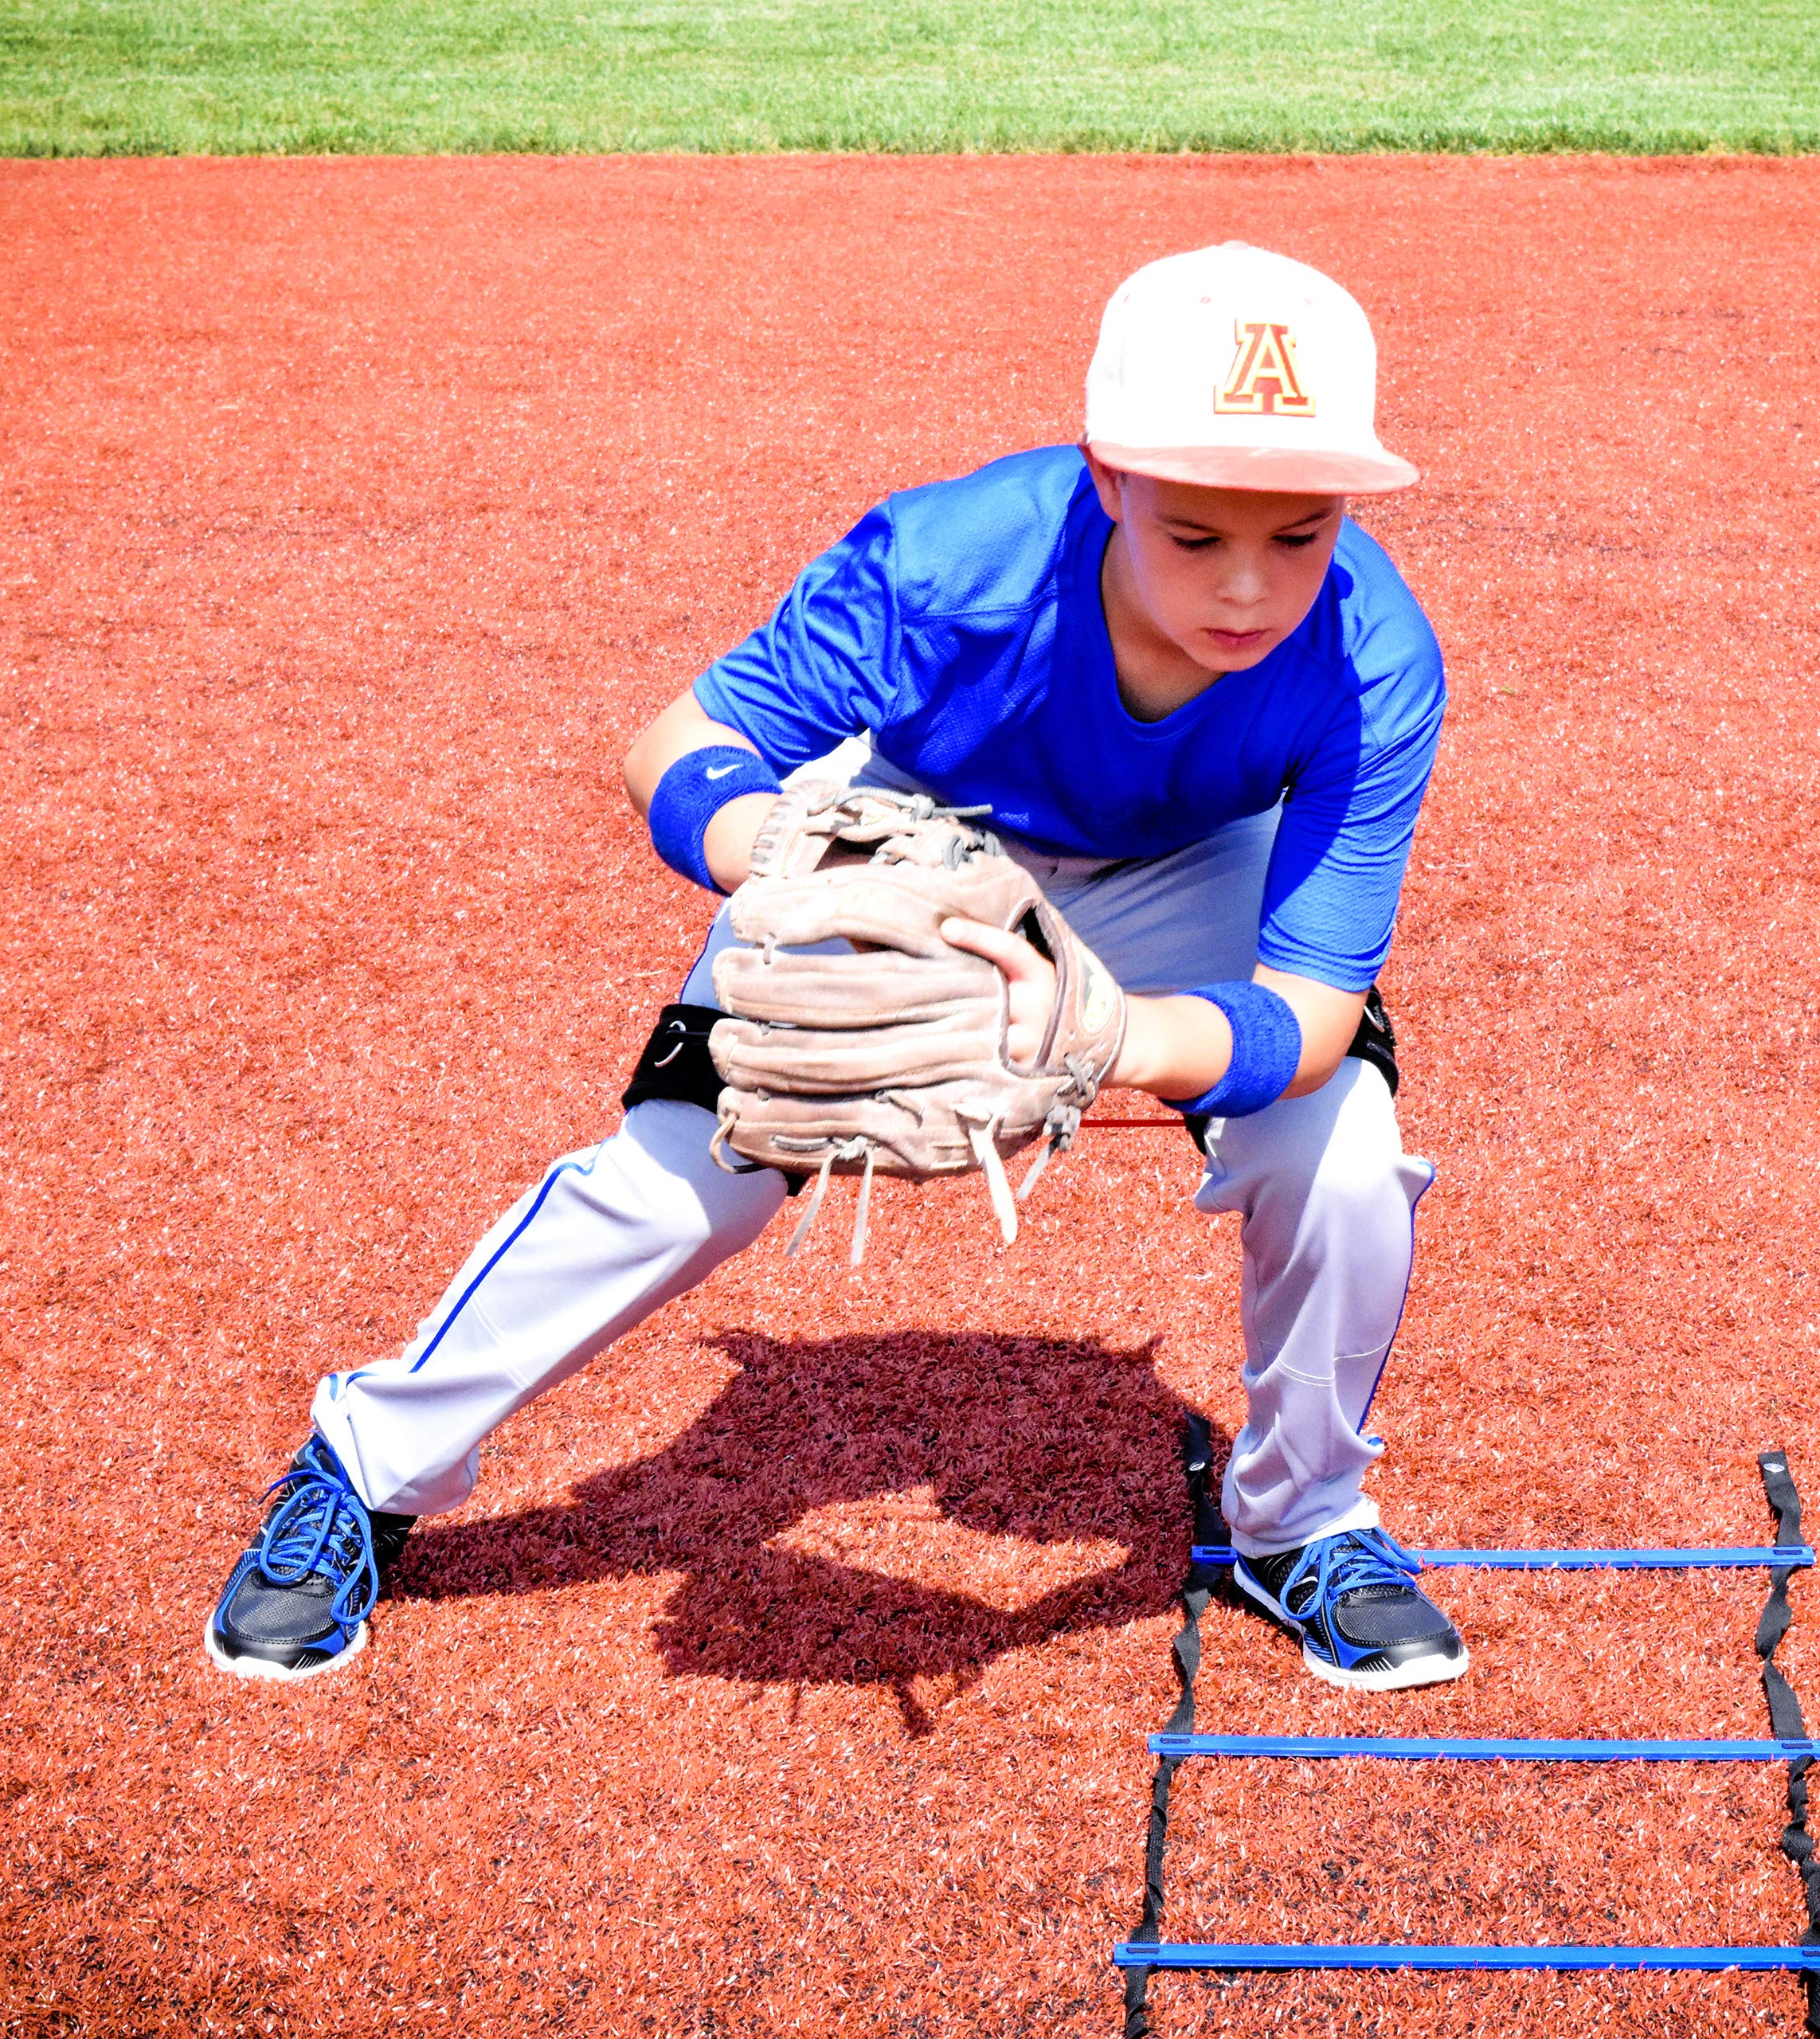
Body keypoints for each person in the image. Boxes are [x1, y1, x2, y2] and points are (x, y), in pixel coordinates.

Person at [205, 241, 1466, 1694]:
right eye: (1194, 535)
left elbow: (1309, 1014)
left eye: (1300, 534)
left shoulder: (1376, 661)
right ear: (1106, 476)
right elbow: (674, 745)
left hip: (1201, 861)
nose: (1249, 587)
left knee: (1344, 1149)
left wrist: (1099, 1031)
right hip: (924, 829)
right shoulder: (945, 563)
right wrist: (804, 868)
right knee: (684, 1177)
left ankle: (1302, 1519)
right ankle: (365, 1461)